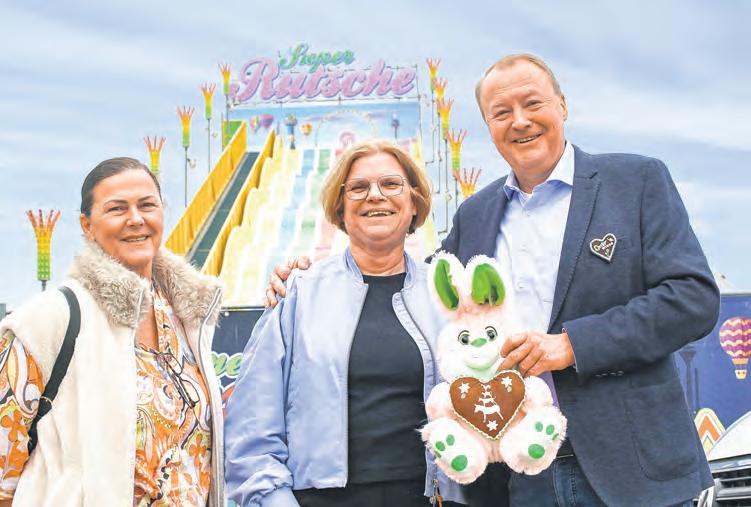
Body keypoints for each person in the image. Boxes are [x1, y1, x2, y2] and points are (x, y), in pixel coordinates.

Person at [267, 54, 720, 507]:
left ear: (562, 105)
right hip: (519, 476)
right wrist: (311, 274)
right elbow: (409, 279)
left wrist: (572, 345)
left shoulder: (635, 181)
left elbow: (691, 298)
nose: (519, 121)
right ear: (488, 125)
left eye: (532, 103)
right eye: (501, 112)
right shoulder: (476, 215)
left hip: (631, 468)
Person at [224, 140, 464, 506]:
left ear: (414, 202)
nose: (375, 195)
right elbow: (252, 428)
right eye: (358, 187)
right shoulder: (298, 295)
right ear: (340, 208)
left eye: (391, 184)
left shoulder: (449, 296)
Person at [0, 158, 226, 506]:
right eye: (117, 208)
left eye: (147, 205)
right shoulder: (48, 321)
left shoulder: (187, 319)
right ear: (87, 226)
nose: (135, 219)